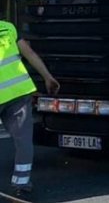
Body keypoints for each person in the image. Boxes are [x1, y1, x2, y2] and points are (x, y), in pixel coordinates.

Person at [0, 21, 59, 198]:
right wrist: (48, 77)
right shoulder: (8, 28)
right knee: (23, 140)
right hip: (19, 92)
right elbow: (30, 54)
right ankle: (21, 184)